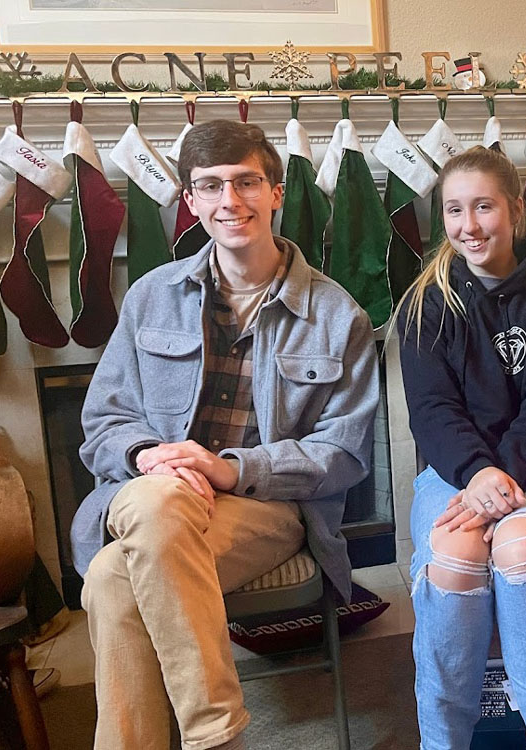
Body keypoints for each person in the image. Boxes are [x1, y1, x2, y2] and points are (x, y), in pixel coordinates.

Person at [72, 119, 379, 750]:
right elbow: (104, 420)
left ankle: (213, 734)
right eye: (210, 186)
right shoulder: (151, 297)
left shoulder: (335, 313)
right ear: (190, 200)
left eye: (246, 182)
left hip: (267, 510)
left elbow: (345, 452)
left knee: (112, 576)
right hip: (151, 495)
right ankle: (217, 735)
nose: (229, 200)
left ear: (275, 192)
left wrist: (233, 469)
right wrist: (149, 455)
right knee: (152, 512)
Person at [397, 146, 526, 750]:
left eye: (484, 207)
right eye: (454, 210)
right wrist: (477, 475)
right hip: (456, 473)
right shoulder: (426, 304)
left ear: (516, 209)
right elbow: (432, 413)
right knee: (454, 555)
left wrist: (499, 479)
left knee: (522, 549)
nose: (469, 225)